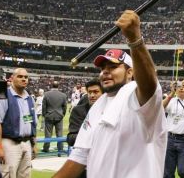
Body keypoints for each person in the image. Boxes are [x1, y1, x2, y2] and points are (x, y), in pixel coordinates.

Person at [54, 10, 167, 178]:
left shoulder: (136, 95)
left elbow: (149, 85)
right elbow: (79, 157)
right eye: (102, 69)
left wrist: (135, 40)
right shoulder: (97, 105)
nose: (105, 72)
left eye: (113, 67)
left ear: (130, 73)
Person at [0, 68, 37, 178]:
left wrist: (34, 144)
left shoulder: (29, 98)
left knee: (25, 175)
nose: (24, 79)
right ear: (12, 78)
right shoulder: (3, 96)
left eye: (26, 77)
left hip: (26, 142)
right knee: (8, 174)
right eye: (20, 76)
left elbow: (32, 123)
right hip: (9, 142)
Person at [65, 79, 103, 178]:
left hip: (105, 164)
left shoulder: (112, 110)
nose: (92, 95)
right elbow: (71, 138)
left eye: (96, 92)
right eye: (89, 92)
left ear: (103, 93)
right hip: (84, 165)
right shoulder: (79, 111)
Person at [42, 81, 67, 154]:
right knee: (59, 133)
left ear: (51, 85)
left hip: (49, 116)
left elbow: (44, 106)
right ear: (58, 86)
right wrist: (62, 114)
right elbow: (65, 107)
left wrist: (45, 115)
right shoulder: (63, 95)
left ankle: (46, 148)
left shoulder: (46, 94)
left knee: (48, 134)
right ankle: (60, 148)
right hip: (59, 116)